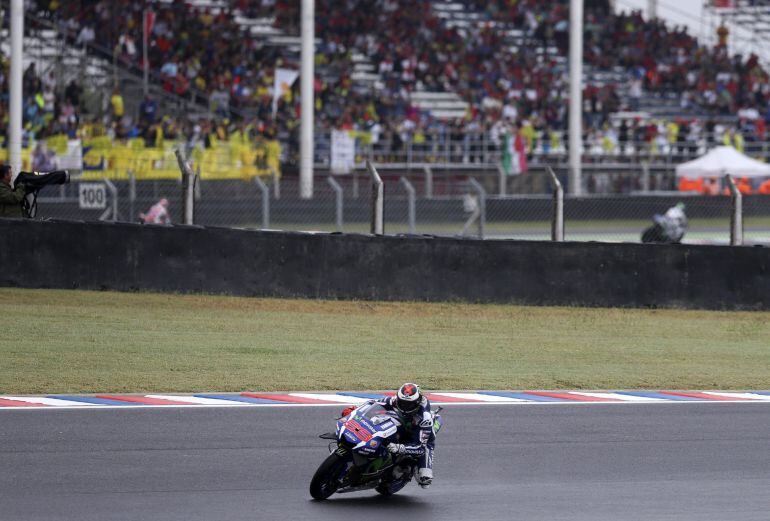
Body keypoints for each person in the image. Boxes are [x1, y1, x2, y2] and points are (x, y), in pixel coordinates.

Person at [377, 383, 436, 489]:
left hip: (419, 430)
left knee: (425, 481)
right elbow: (373, 403)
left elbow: (420, 448)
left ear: (417, 402)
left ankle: (419, 468)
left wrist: (400, 448)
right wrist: (353, 410)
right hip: (403, 422)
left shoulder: (424, 417)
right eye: (402, 403)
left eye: (409, 404)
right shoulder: (394, 400)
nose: (404, 406)